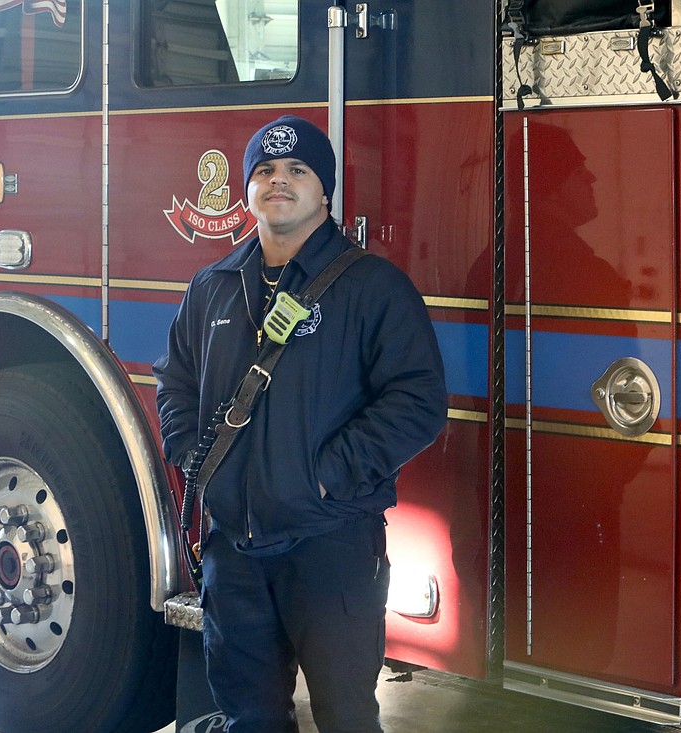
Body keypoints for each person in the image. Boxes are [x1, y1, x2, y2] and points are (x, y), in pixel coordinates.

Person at [154, 115, 447, 732]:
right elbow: (174, 376)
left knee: (346, 717)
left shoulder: (374, 288)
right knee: (249, 719)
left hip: (332, 546)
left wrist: (325, 475)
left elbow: (418, 401)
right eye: (264, 170)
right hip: (234, 552)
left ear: (325, 190)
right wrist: (190, 451)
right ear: (248, 189)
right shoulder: (211, 288)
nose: (278, 181)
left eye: (297, 170)